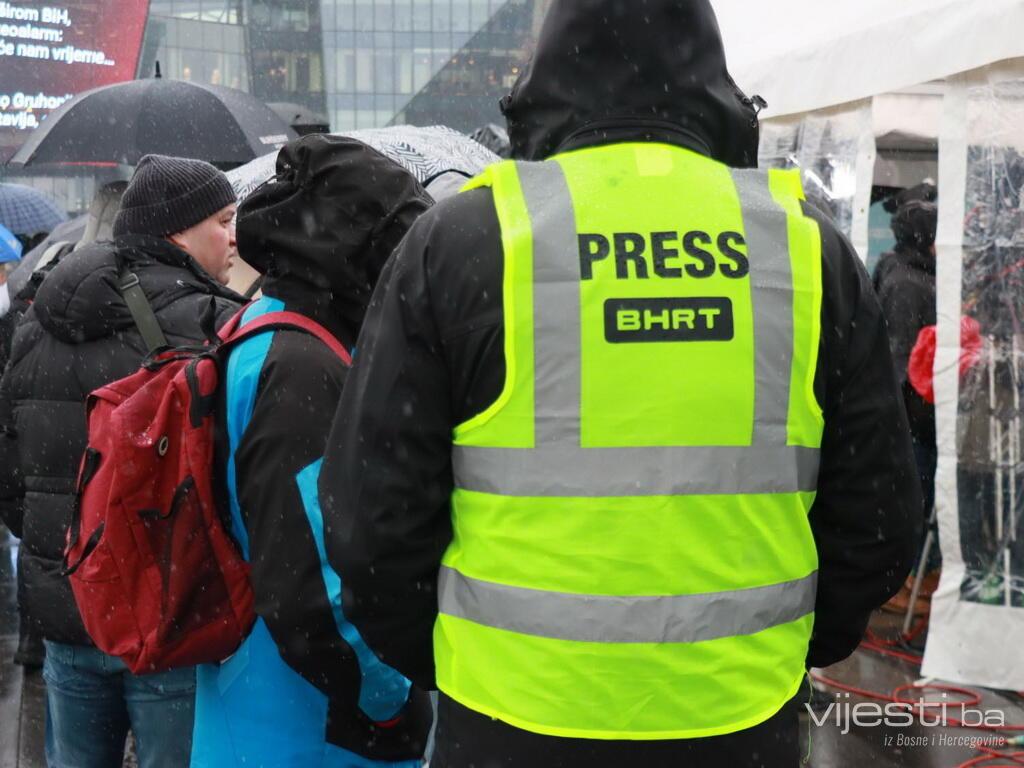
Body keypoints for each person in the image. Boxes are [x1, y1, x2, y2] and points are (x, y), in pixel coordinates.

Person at [320, 1, 923, 766]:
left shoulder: (466, 240)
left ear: (547, 75)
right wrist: (784, 645)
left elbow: (371, 523)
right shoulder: (806, 250)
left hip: (511, 719)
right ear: (710, 79)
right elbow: (878, 516)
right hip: (737, 718)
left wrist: (457, 662)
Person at [189, 134, 433, 766]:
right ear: (355, 250)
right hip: (313, 730)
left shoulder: (265, 326)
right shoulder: (303, 366)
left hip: (253, 706)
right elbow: (314, 591)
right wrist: (392, 702)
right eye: (397, 249)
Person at [0, 154, 244, 768]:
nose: (235, 237)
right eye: (223, 220)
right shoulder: (211, 324)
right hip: (169, 611)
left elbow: (9, 470)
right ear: (177, 232)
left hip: (69, 609)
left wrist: (65, 553)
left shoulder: (37, 321)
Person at [873, 183, 940, 613]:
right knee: (915, 494)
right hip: (913, 414)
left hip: (915, 411)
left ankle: (913, 575)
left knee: (918, 492)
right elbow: (900, 359)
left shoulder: (906, 273)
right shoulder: (908, 283)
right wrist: (911, 411)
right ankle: (902, 581)